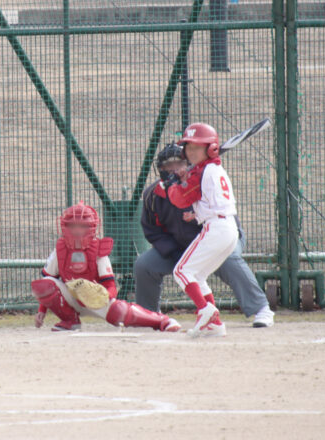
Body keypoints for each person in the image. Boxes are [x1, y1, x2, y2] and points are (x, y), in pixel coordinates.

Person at [135, 143, 274, 328]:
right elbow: (153, 231)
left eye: (180, 163)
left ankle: (261, 309)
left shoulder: (201, 181)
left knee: (230, 260)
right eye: (168, 165)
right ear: (160, 169)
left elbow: (219, 217)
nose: (174, 169)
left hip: (218, 239)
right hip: (178, 248)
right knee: (144, 265)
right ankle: (150, 315)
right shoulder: (152, 194)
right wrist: (176, 253)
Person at [31, 202, 181, 333]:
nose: (77, 231)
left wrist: (102, 296)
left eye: (82, 226)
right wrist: (41, 310)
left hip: (94, 301)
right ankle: (70, 321)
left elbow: (111, 286)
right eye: (72, 226)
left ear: (91, 228)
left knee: (119, 311)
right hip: (70, 298)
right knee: (44, 284)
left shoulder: (99, 251)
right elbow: (49, 281)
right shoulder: (60, 250)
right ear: (64, 227)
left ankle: (163, 321)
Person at [166, 123, 242, 338]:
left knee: (181, 271)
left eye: (197, 148)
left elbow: (180, 199)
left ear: (210, 149)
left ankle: (205, 310)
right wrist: (197, 213)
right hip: (226, 227)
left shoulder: (201, 172)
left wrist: (171, 185)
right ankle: (214, 324)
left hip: (217, 228)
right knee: (197, 275)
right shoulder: (211, 169)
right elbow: (207, 199)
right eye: (188, 148)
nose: (191, 152)